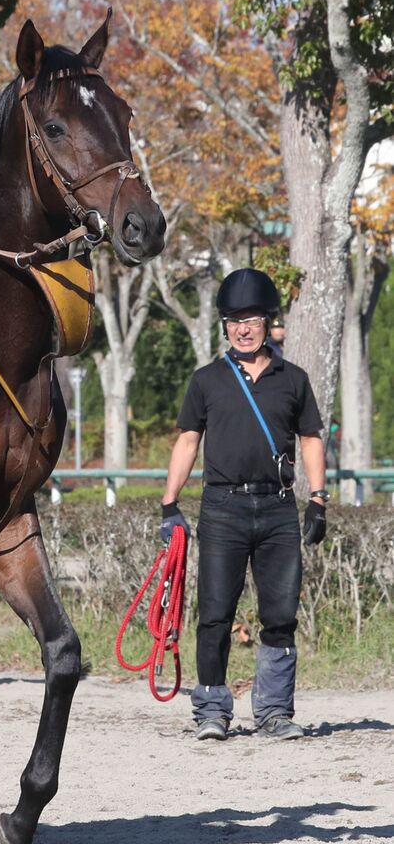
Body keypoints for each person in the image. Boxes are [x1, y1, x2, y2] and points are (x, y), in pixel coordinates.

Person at [160, 268, 327, 742]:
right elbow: (188, 441)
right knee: (215, 611)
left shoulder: (293, 379)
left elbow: (311, 439)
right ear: (226, 326)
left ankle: (274, 711)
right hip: (222, 508)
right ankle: (212, 708)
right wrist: (169, 504)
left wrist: (317, 498)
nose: (243, 328)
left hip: (277, 509)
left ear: (268, 322)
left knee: (279, 614)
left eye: (251, 318)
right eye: (235, 320)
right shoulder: (207, 380)